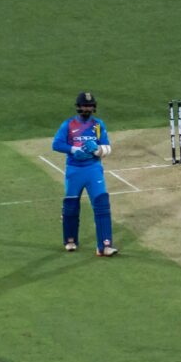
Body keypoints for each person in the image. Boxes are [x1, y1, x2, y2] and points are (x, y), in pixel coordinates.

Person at [51, 91, 118, 257]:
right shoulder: (68, 125)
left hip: (93, 169)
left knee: (102, 204)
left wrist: (97, 150)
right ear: (78, 107)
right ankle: (70, 240)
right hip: (74, 169)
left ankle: (105, 245)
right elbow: (56, 144)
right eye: (84, 105)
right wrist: (73, 149)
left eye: (89, 105)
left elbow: (107, 147)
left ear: (93, 107)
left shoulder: (98, 125)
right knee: (71, 206)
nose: (87, 108)